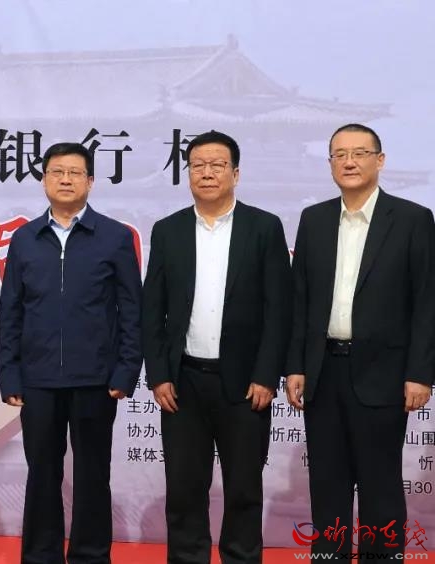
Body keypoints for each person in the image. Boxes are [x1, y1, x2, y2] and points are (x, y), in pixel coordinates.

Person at [285, 123, 434, 558]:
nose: (349, 162)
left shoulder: (412, 219)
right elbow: (300, 299)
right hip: (323, 371)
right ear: (330, 163)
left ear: (379, 161)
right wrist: (296, 365)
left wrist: (420, 373)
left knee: (379, 484)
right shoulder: (314, 219)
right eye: (340, 154)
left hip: (384, 373)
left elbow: (427, 301)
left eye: (360, 153)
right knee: (326, 484)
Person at [142, 130, 291, 563]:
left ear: (235, 173)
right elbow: (152, 310)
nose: (207, 173)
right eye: (198, 165)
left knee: (244, 489)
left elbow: (279, 309)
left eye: (217, 165)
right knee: (184, 489)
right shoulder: (168, 230)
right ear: (188, 173)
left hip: (245, 385)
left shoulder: (263, 227)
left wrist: (267, 375)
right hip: (183, 383)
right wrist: (159, 375)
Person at [0, 141, 141, 563]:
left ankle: (90, 555)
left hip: (96, 379)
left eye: (75, 172)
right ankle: (41, 555)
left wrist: (125, 371)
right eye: (56, 172)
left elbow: (132, 310)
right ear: (44, 180)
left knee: (93, 475)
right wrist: (9, 373)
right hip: (37, 379)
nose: (65, 179)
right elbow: (11, 310)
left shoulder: (114, 237)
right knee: (42, 473)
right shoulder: (25, 239)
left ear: (90, 181)